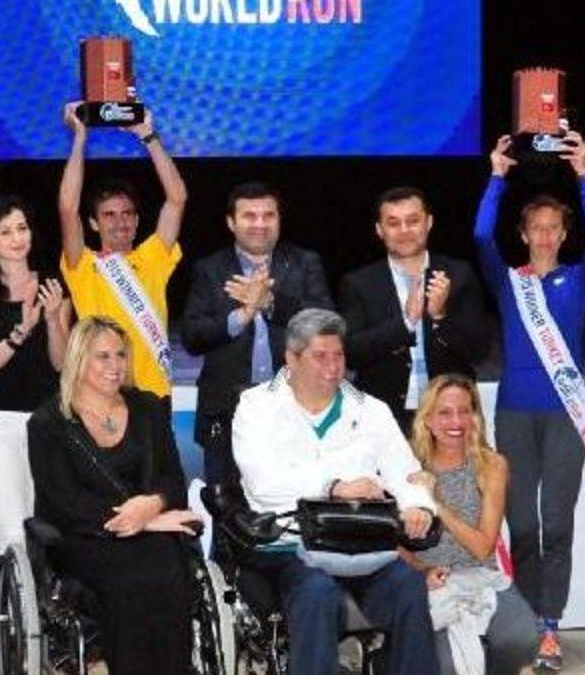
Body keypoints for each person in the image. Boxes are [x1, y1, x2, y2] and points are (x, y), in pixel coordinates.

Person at [232, 308, 439, 675]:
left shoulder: (371, 410)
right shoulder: (256, 406)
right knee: (317, 592)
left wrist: (418, 507)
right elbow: (264, 483)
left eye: (339, 355)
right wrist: (334, 487)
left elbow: (406, 474)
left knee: (408, 585)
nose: (332, 366)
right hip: (289, 544)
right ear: (291, 358)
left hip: (362, 544)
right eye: (320, 356)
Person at [472, 131, 585, 669]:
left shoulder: (580, 277)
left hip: (564, 416)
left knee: (557, 525)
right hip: (515, 413)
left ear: (564, 232)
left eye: (554, 227)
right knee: (523, 526)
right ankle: (526, 620)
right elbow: (480, 236)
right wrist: (497, 177)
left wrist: (584, 175)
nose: (546, 235)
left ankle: (550, 625)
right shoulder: (509, 282)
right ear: (524, 233)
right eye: (537, 227)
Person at [26, 316, 202, 675]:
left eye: (121, 355)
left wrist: (152, 505)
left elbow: (172, 480)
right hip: (83, 537)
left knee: (170, 568)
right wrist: (143, 520)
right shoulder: (48, 423)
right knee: (128, 577)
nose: (116, 365)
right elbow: (63, 501)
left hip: (150, 530)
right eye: (103, 356)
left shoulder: (148, 408)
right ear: (79, 359)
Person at [181, 181, 333, 487]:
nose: (260, 224)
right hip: (225, 413)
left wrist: (270, 303)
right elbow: (193, 337)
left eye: (269, 215)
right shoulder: (210, 269)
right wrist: (240, 317)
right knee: (227, 506)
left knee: (296, 500)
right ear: (231, 222)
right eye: (249, 216)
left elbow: (325, 324)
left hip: (297, 409)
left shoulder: (304, 263)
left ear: (279, 219)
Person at [403, 374, 539, 675]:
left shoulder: (491, 465)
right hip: (426, 581)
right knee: (447, 665)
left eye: (464, 411)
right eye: (445, 412)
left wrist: (435, 505)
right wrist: (421, 569)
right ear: (427, 419)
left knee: (523, 640)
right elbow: (392, 540)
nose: (456, 421)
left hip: (482, 575)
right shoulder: (406, 463)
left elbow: (482, 547)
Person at [57, 102, 187, 403]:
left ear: (137, 220)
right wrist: (80, 138)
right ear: (93, 223)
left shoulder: (153, 257)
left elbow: (177, 199)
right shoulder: (82, 264)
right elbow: (67, 207)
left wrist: (148, 136)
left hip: (154, 396)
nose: (120, 221)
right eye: (109, 215)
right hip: (98, 395)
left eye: (127, 214)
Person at [0, 195, 70, 555]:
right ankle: (15, 592)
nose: (17, 238)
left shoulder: (52, 286)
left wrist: (52, 320)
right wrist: (19, 334)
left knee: (52, 531)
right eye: (5, 231)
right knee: (11, 535)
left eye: (22, 228)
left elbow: (62, 364)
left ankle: (49, 593)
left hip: (49, 421)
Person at [339, 186, 489, 431]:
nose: (404, 231)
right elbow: (352, 354)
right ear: (379, 230)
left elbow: (479, 351)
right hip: (384, 419)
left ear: (428, 223)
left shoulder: (458, 274)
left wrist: (440, 316)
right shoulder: (359, 283)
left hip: (449, 416)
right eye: (393, 223)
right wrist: (405, 323)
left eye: (412, 221)